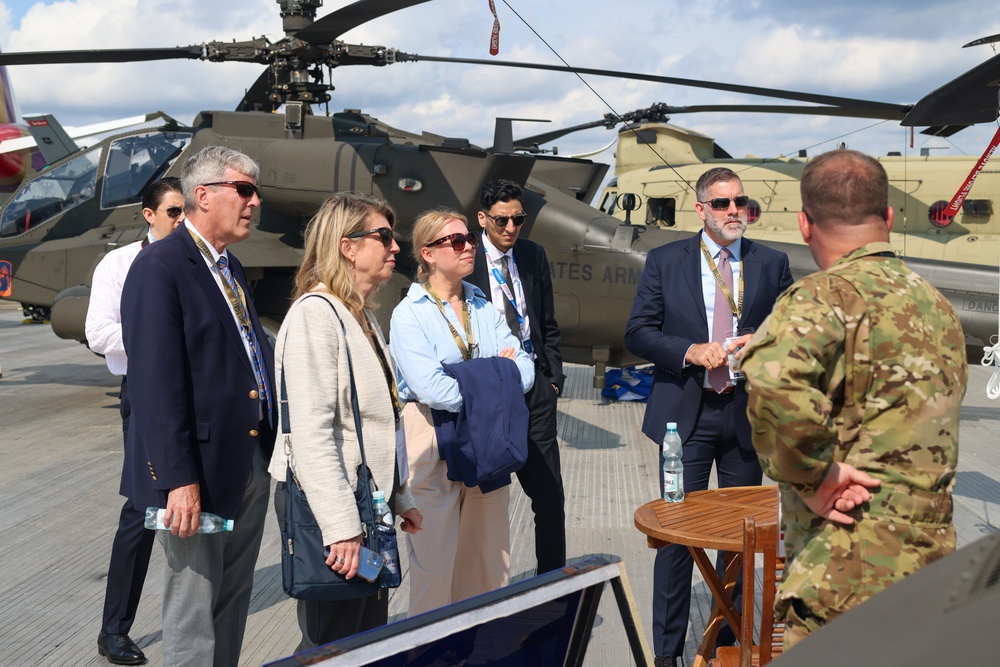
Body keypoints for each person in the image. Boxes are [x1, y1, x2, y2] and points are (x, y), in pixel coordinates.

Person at [740, 149, 967, 648]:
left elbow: (773, 382)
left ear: (804, 224)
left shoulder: (821, 297)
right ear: (888, 217)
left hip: (847, 567)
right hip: (931, 565)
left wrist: (817, 476)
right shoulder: (938, 305)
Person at [624, 167, 794, 667]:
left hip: (745, 419)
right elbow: (638, 331)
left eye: (741, 202)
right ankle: (667, 655)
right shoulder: (665, 260)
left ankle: (730, 649)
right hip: (686, 422)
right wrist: (688, 350)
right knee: (676, 538)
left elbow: (790, 329)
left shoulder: (772, 262)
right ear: (700, 209)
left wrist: (761, 340)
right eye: (722, 204)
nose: (734, 211)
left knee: (743, 542)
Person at [120, 146, 276, 667]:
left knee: (231, 600)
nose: (254, 202)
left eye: (255, 191)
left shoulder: (227, 265)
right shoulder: (159, 267)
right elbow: (155, 385)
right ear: (202, 195)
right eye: (244, 190)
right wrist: (177, 479)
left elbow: (251, 355)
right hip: (197, 474)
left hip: (246, 460)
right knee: (192, 609)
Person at [268, 193, 423, 649]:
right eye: (384, 237)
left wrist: (400, 495)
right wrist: (341, 529)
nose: (396, 248)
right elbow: (311, 434)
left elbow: (377, 421)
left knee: (363, 638)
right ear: (347, 246)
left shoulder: (360, 315)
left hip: (363, 504)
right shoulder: (316, 316)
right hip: (334, 508)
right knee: (330, 644)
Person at [390, 209, 534, 616]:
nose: (469, 245)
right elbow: (430, 389)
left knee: (489, 562)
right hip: (432, 438)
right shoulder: (409, 314)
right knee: (435, 568)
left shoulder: (484, 306)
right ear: (428, 254)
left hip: (487, 436)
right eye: (456, 241)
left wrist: (476, 376)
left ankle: (482, 649)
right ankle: (429, 655)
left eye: (469, 238)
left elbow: (525, 370)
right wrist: (496, 374)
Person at [86, 177, 184, 666]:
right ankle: (114, 629)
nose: (181, 221)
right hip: (146, 394)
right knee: (144, 510)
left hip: (200, 396)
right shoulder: (120, 263)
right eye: (172, 212)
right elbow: (99, 332)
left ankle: (199, 611)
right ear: (149, 214)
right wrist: (161, 338)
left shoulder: (206, 263)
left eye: (187, 212)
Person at [469, 179, 566, 575]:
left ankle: (553, 585)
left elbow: (546, 322)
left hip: (535, 390)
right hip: (489, 394)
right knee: (486, 501)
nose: (510, 228)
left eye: (518, 220)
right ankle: (486, 586)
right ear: (482, 218)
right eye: (501, 221)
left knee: (549, 497)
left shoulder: (532, 255)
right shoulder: (464, 256)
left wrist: (553, 379)